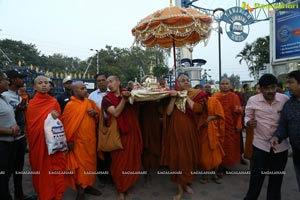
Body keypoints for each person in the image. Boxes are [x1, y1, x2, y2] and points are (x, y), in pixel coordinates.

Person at [161, 73, 207, 200]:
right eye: (182, 81)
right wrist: (173, 98)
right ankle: (180, 189)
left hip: (190, 132)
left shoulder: (196, 94)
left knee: (189, 158)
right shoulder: (173, 94)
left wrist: (186, 97)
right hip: (175, 133)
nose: (186, 82)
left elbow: (197, 109)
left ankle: (187, 183)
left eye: (187, 80)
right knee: (178, 159)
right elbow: (169, 113)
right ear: (177, 83)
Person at [244, 74, 289, 200]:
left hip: (280, 147)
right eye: (266, 88)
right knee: (256, 178)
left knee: (276, 179)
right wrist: (248, 122)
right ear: (261, 88)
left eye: (273, 87)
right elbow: (247, 115)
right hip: (260, 145)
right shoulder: (253, 100)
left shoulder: (284, 99)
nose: (270, 91)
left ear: (277, 87)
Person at [101, 75, 142, 200]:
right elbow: (116, 113)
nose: (109, 84)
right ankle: (121, 189)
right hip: (118, 134)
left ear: (118, 82)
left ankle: (127, 184)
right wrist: (124, 100)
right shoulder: (107, 99)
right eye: (107, 82)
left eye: (111, 81)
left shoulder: (129, 93)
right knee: (119, 163)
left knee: (132, 159)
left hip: (132, 131)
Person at [26, 76, 66, 200]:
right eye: (40, 83)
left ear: (50, 86)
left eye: (46, 83)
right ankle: (44, 194)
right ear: (34, 87)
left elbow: (59, 123)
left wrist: (56, 116)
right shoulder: (32, 104)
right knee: (41, 170)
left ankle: (55, 194)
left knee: (54, 169)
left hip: (51, 144)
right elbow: (30, 127)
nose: (43, 85)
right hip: (38, 144)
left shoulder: (53, 102)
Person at [63, 81, 101, 200]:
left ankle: (88, 185)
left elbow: (99, 116)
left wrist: (95, 113)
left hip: (90, 140)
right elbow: (67, 125)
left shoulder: (90, 103)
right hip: (77, 143)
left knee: (90, 165)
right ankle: (81, 190)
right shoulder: (70, 105)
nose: (85, 90)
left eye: (85, 88)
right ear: (75, 91)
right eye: (82, 88)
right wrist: (69, 141)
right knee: (80, 167)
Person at [271, 70, 300, 191]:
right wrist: (277, 136)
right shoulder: (289, 104)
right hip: (298, 154)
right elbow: (283, 125)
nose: (287, 86)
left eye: (290, 82)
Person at [2, 70, 27, 200]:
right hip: (8, 140)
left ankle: (19, 194)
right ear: (12, 80)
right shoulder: (5, 96)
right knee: (6, 172)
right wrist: (17, 109)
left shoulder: (18, 95)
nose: (23, 81)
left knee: (19, 168)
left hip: (20, 137)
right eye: (20, 78)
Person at [213, 79, 243, 173]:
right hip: (217, 126)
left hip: (231, 127)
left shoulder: (234, 97)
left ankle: (225, 165)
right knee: (218, 147)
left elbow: (239, 112)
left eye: (227, 84)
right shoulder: (215, 96)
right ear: (219, 86)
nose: (225, 86)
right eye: (222, 84)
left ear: (230, 85)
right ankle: (218, 166)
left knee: (229, 147)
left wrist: (238, 124)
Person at [0, 71, 21, 200]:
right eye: (5, 79)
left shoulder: (3, 98)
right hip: (2, 145)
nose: (8, 82)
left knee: (6, 176)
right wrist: (10, 131)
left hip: (9, 143)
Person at [88, 73, 112, 186]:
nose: (101, 82)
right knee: (100, 150)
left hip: (111, 125)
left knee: (111, 151)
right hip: (98, 126)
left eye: (103, 80)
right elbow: (88, 110)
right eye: (99, 81)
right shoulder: (92, 96)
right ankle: (102, 176)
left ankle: (111, 175)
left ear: (107, 81)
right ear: (96, 83)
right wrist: (94, 113)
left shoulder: (112, 93)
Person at [198, 96, 225, 184]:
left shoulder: (214, 101)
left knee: (216, 156)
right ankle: (204, 175)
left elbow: (220, 115)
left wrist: (210, 118)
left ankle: (214, 175)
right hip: (202, 133)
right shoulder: (196, 103)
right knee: (204, 157)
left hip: (214, 132)